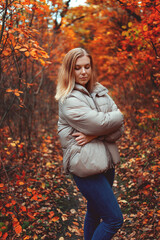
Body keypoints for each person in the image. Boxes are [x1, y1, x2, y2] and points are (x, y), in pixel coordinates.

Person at [55, 48, 124, 240]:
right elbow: (107, 122)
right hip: (85, 166)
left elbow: (120, 127)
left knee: (95, 212)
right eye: (77, 68)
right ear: (70, 70)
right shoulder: (69, 99)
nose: (84, 72)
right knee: (114, 219)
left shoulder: (99, 91)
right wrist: (107, 125)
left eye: (87, 66)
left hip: (106, 162)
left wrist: (94, 136)